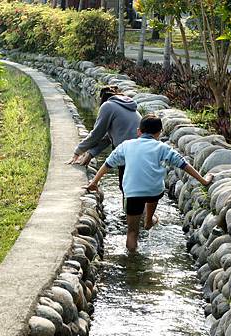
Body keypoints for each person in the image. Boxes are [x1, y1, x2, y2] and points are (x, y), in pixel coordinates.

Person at [86, 114, 212, 252]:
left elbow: (108, 164)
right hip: (154, 191)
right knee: (153, 193)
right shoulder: (162, 147)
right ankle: (148, 220)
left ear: (138, 131)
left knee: (132, 232)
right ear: (159, 132)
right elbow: (183, 164)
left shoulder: (126, 145)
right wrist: (203, 180)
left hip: (132, 192)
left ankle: (132, 260)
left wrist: (94, 182)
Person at [67, 85, 141, 194]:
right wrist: (91, 153)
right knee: (136, 185)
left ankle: (131, 210)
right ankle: (139, 210)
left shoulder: (108, 106)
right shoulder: (126, 105)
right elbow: (108, 138)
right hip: (141, 147)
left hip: (126, 150)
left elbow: (96, 134)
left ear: (101, 99)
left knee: (127, 187)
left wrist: (78, 151)